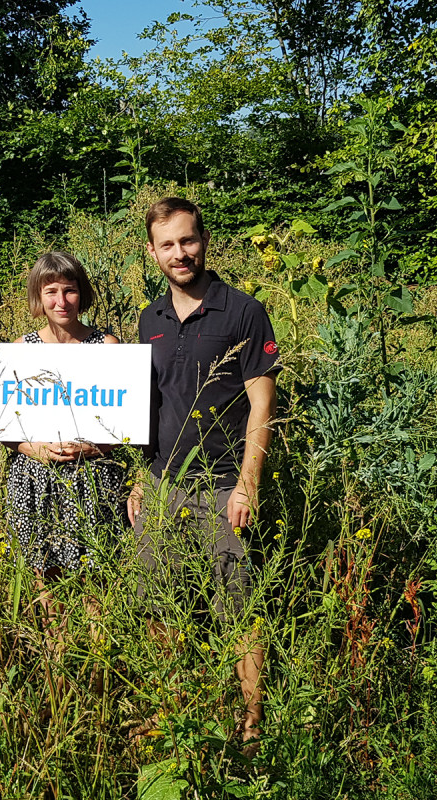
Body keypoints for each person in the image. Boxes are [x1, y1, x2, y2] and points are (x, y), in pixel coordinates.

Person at [126, 197, 278, 747]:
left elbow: (263, 406)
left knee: (238, 606)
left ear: (203, 240)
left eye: (187, 240)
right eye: (167, 244)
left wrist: (247, 484)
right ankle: (176, 708)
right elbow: (147, 404)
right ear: (152, 252)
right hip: (163, 484)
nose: (179, 253)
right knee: (159, 603)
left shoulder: (242, 311)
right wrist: (142, 477)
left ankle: (252, 721)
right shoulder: (150, 319)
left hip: (221, 488)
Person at [4, 251, 124, 586]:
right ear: (38, 298)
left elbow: (126, 423)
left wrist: (95, 448)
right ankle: (52, 639)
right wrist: (33, 449)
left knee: (94, 571)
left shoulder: (107, 346)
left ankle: (97, 638)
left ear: (81, 293)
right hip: (33, 477)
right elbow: (2, 426)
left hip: (93, 477)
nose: (62, 301)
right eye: (51, 292)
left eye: (69, 290)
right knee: (44, 574)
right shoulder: (21, 349)